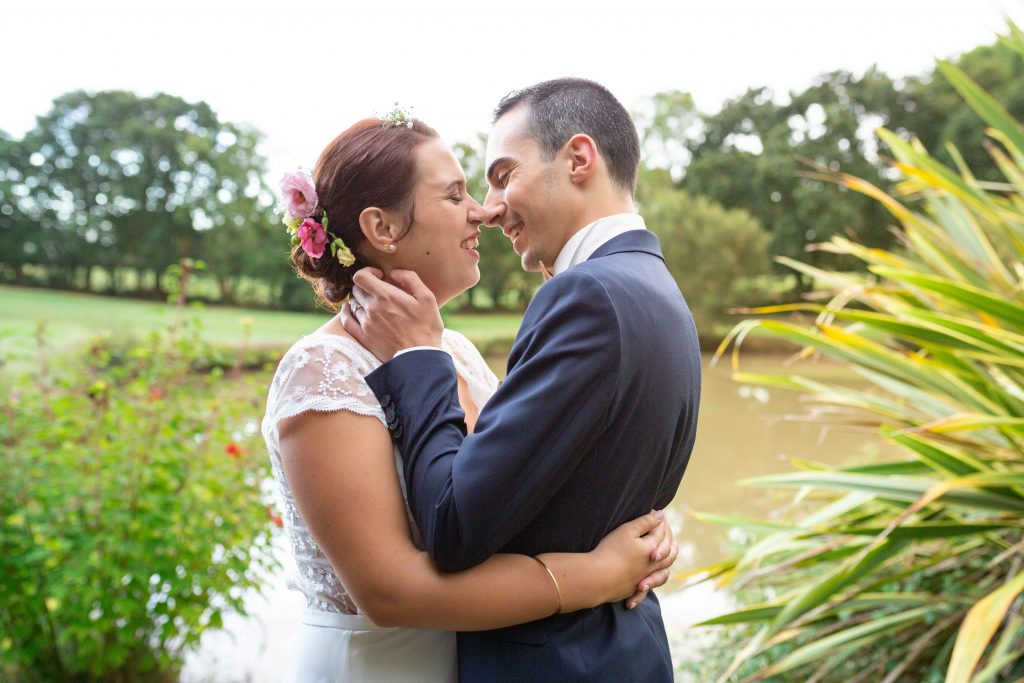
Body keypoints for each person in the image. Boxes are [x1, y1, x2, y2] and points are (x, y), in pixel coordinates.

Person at [261, 112, 680, 682]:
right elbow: (389, 591)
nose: (483, 211)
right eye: (455, 194)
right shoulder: (323, 371)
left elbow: (506, 493)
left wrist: (635, 521)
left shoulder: (452, 351)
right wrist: (598, 575)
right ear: (382, 228)